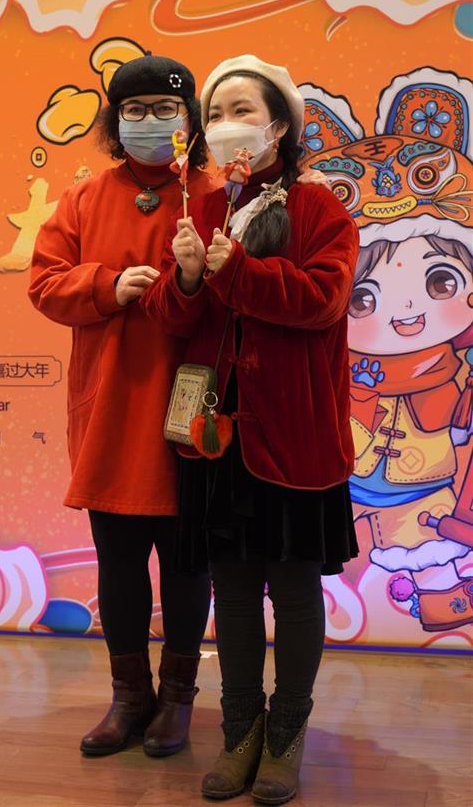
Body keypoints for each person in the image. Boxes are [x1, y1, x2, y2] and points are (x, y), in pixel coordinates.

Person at [142, 55, 360, 804]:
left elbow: (323, 301)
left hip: (294, 437)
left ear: (279, 127)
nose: (226, 123)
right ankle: (240, 732)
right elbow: (173, 320)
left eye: (242, 110)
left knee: (293, 592)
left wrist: (235, 271)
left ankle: (286, 735)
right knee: (231, 592)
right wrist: (187, 278)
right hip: (215, 438)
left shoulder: (321, 209)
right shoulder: (200, 208)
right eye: (215, 113)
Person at [28, 54, 215, 759]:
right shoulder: (82, 198)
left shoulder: (215, 193)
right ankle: (129, 698)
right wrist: (105, 285)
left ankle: (177, 700)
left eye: (165, 110)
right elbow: (44, 284)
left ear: (190, 120)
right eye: (134, 111)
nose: (149, 122)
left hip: (193, 410)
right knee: (119, 561)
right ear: (114, 121)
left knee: (189, 564)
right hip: (110, 407)